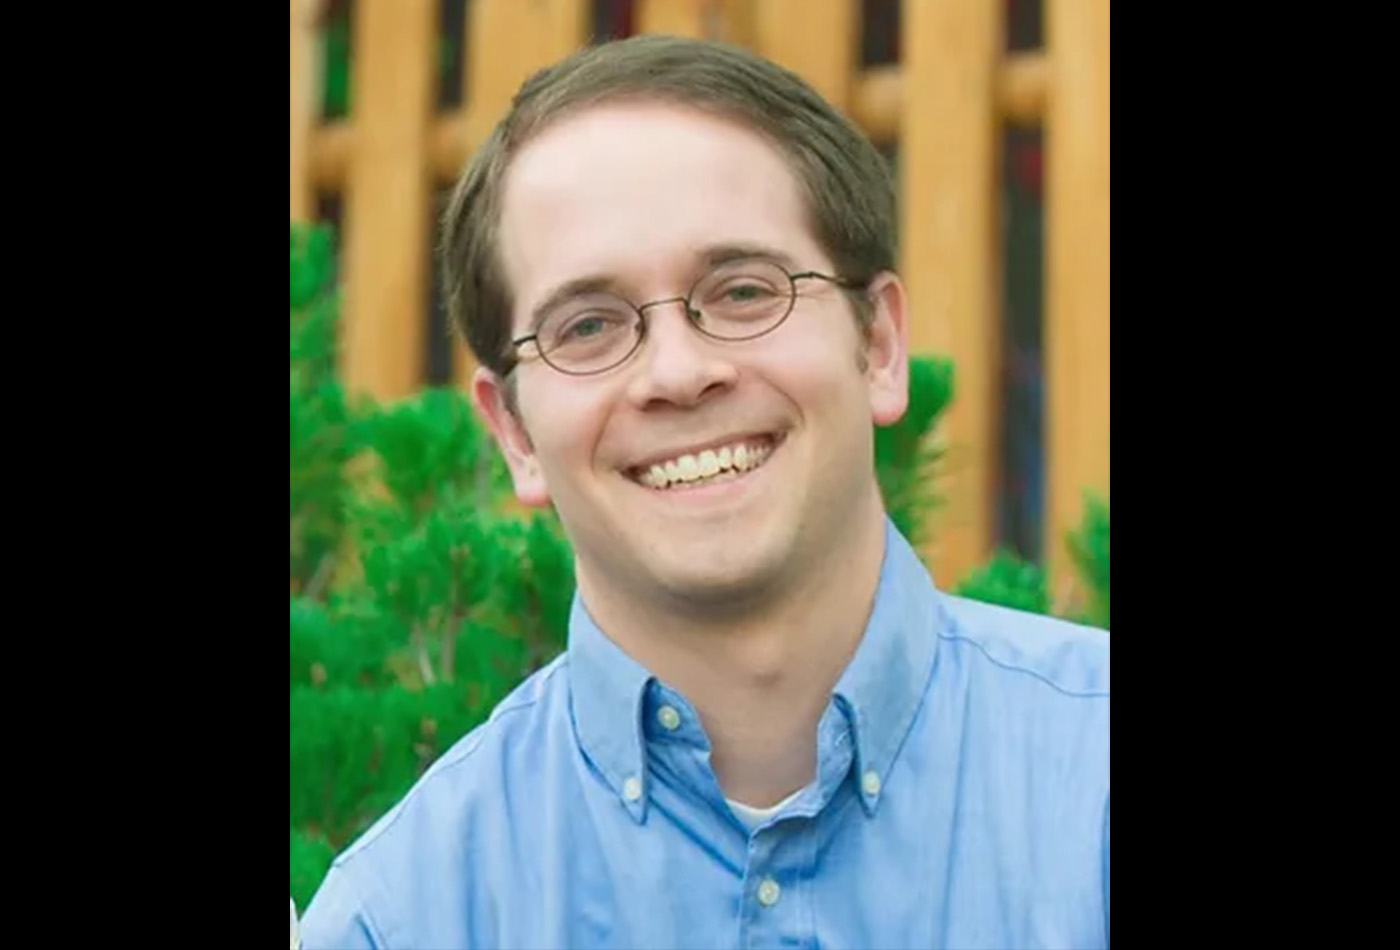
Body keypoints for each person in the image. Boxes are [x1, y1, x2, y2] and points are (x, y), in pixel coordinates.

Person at [299, 34, 1109, 950]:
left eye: (742, 291)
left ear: (878, 346)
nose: (679, 373)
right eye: (590, 325)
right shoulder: (404, 917)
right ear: (515, 434)